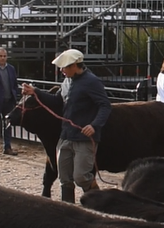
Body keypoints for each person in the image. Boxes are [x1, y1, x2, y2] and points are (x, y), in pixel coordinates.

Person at [21, 49, 111, 203]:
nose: (61, 70)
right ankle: (67, 209)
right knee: (64, 176)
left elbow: (105, 106)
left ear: (75, 65)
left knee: (81, 176)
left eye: (64, 67)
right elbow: (57, 100)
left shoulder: (92, 81)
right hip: (66, 135)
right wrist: (35, 92)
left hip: (83, 137)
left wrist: (94, 125)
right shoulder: (67, 81)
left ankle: (100, 202)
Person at [0, 47, 19, 156]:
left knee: (7, 124)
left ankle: (7, 147)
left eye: (4, 56)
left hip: (8, 101)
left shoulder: (11, 68)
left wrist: (16, 94)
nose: (3, 58)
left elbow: (14, 84)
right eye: (0, 56)